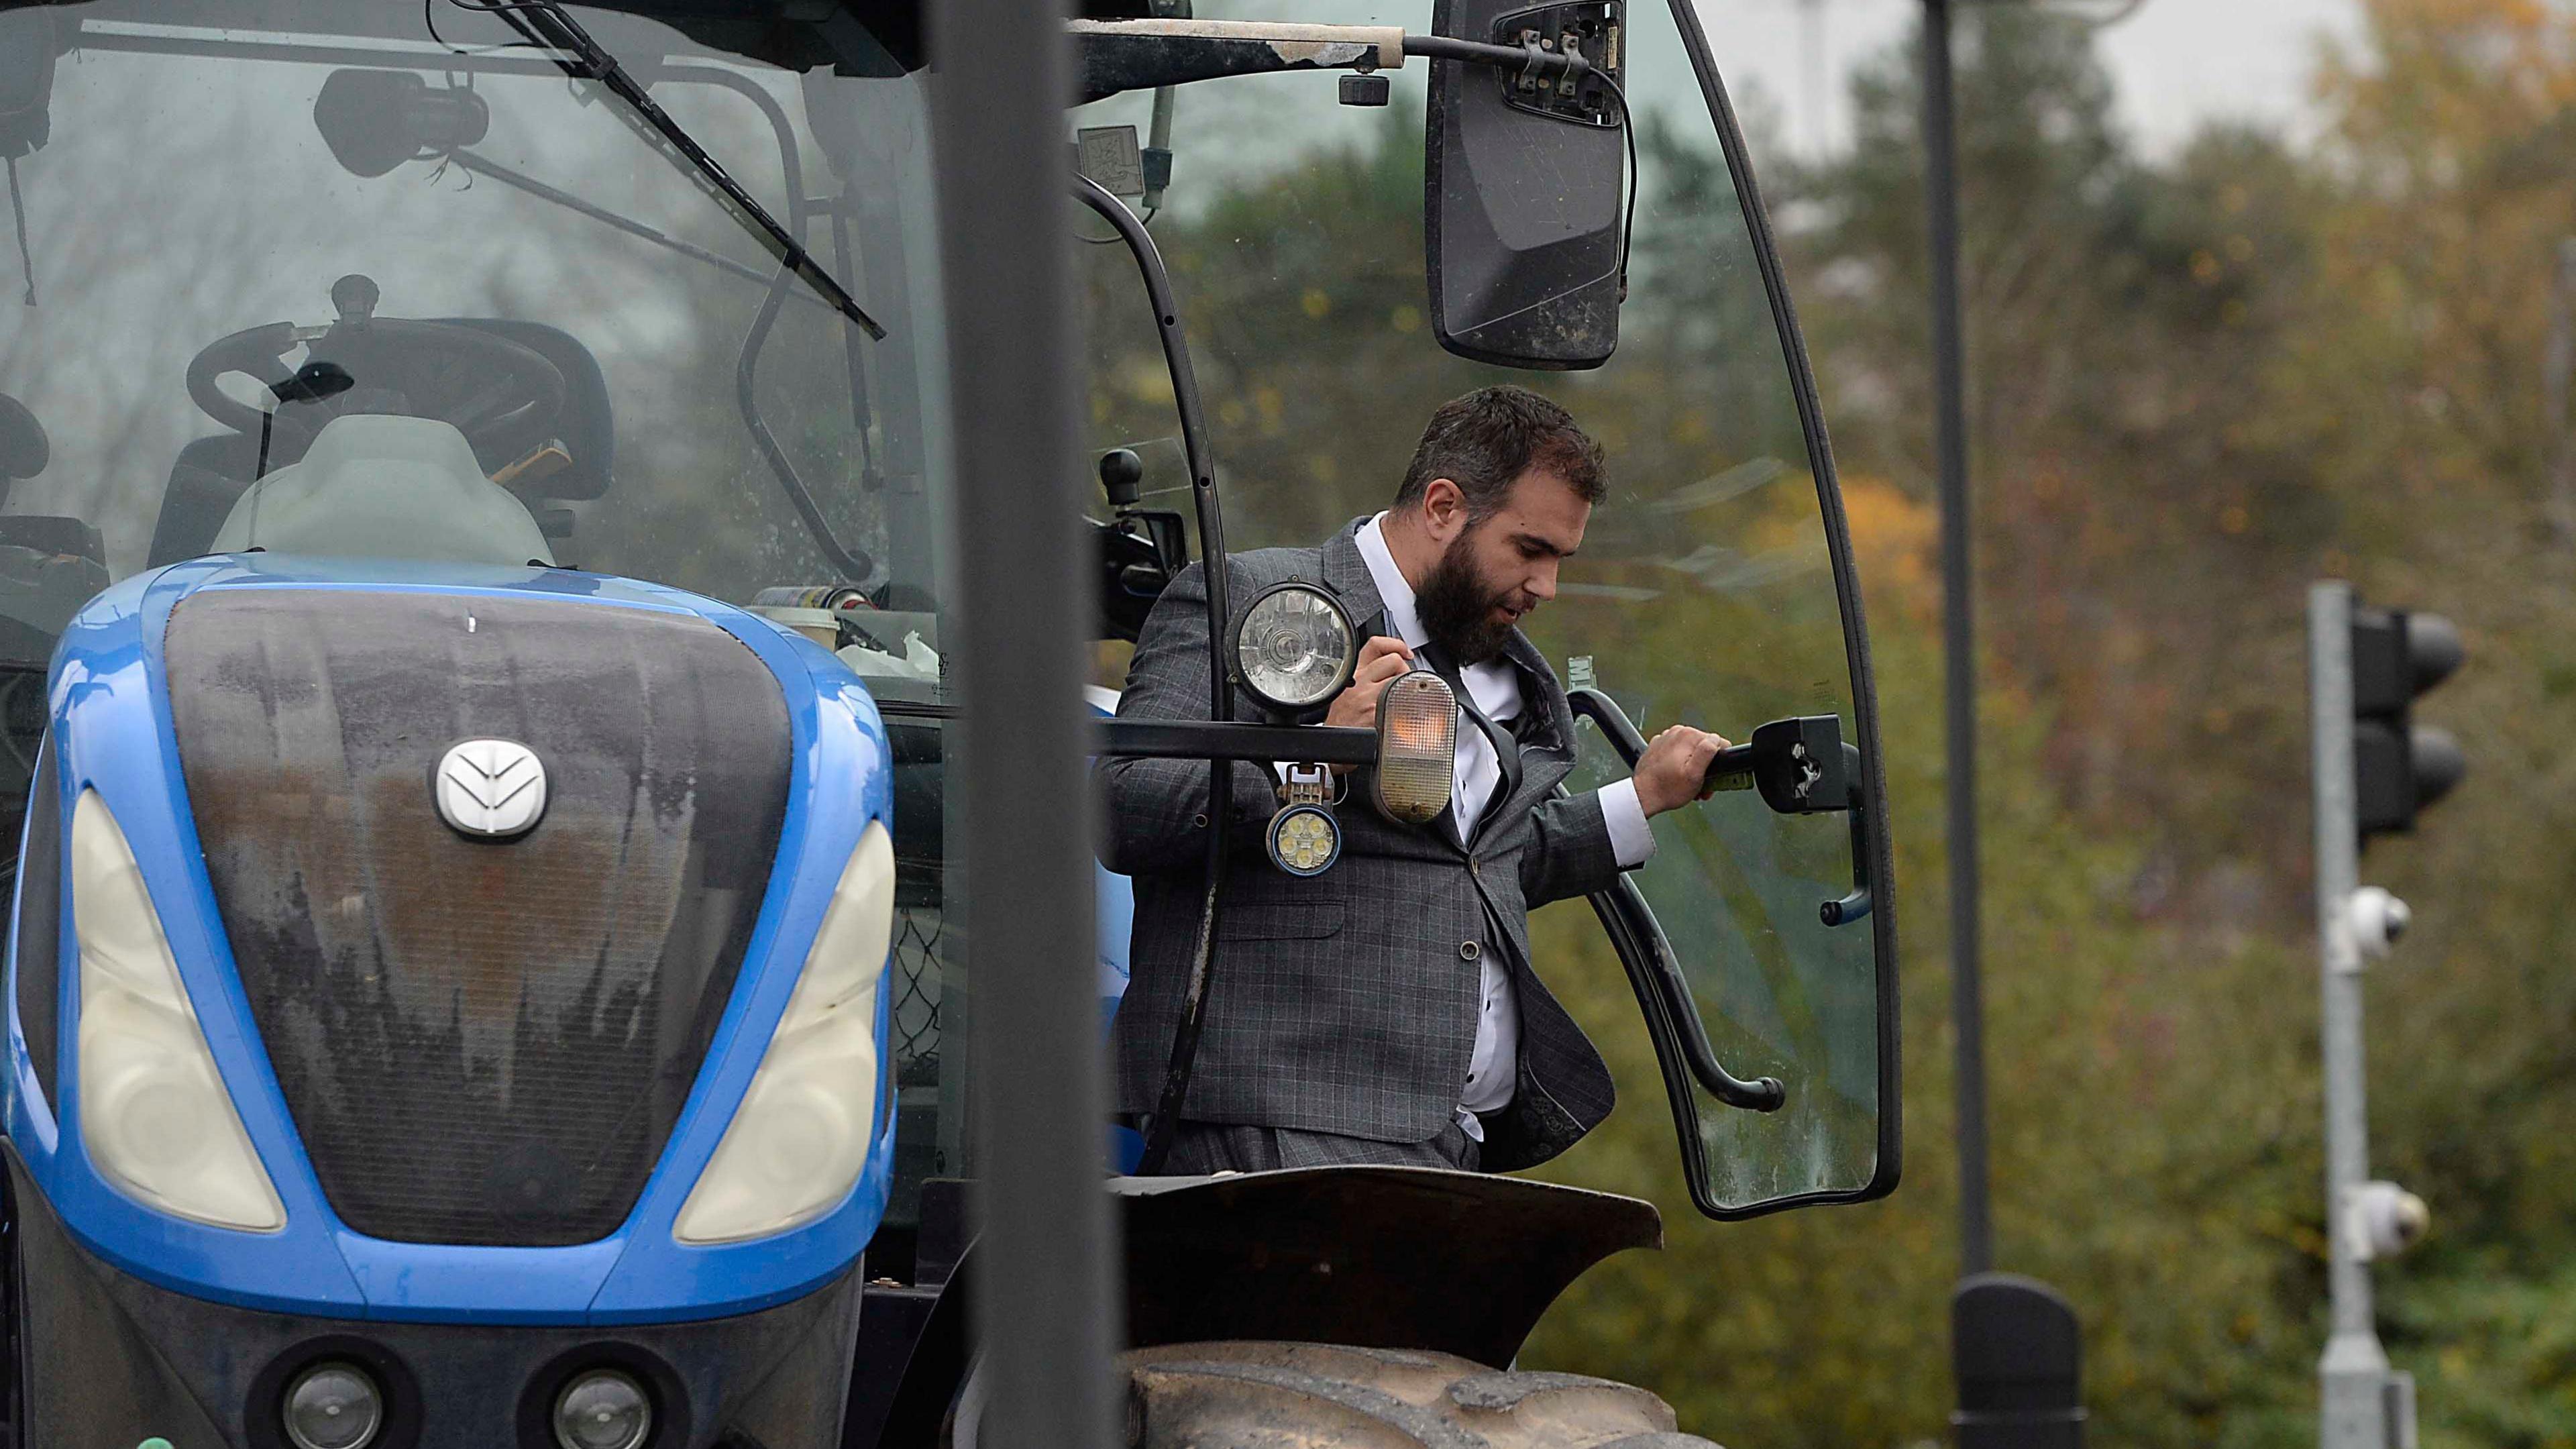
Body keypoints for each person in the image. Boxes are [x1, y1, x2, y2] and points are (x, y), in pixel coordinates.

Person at [1100, 386, 1729, 1175]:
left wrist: (1640, 800)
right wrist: (1318, 752)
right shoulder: (1244, 600)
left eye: (1561, 561)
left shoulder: (1491, 669)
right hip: (1280, 1121)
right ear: (1442, 506)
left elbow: (1470, 868)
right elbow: (1125, 808)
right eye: (1529, 550)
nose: (1547, 588)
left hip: (1450, 1138)